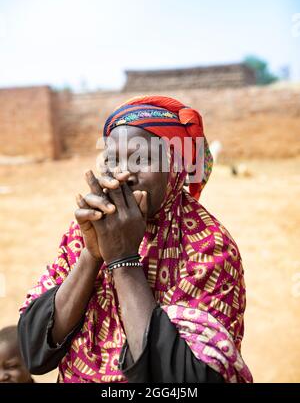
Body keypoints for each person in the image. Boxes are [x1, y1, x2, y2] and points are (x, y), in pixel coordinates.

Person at [18, 95, 252, 383]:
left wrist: (122, 260)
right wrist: (92, 255)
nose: (124, 173)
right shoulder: (83, 232)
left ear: (175, 168)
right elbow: (35, 352)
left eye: (142, 159)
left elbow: (188, 381)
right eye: (112, 159)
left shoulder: (209, 246)